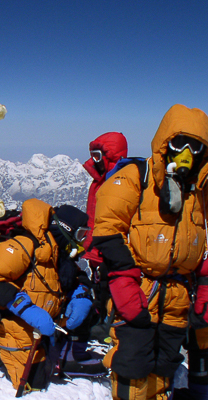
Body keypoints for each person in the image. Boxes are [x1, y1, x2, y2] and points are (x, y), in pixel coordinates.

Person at [92, 104, 208, 400]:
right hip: (139, 289)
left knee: (165, 364)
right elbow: (107, 230)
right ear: (165, 142)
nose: (186, 153)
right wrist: (124, 280)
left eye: (196, 146)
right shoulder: (135, 178)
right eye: (180, 143)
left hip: (178, 298)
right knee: (131, 363)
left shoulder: (205, 196)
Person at [0, 199, 89, 392]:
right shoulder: (26, 246)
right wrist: (25, 307)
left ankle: (65, 354)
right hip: (17, 325)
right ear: (66, 230)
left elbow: (74, 278)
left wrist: (81, 294)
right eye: (80, 234)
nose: (82, 240)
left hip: (47, 326)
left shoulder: (58, 254)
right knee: (34, 383)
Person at [81, 132, 129, 331]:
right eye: (93, 155)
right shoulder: (98, 183)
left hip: (110, 251)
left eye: (98, 156)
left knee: (113, 292)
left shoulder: (121, 183)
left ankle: (111, 331)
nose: (94, 161)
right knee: (100, 290)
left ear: (112, 155)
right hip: (96, 252)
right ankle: (102, 326)